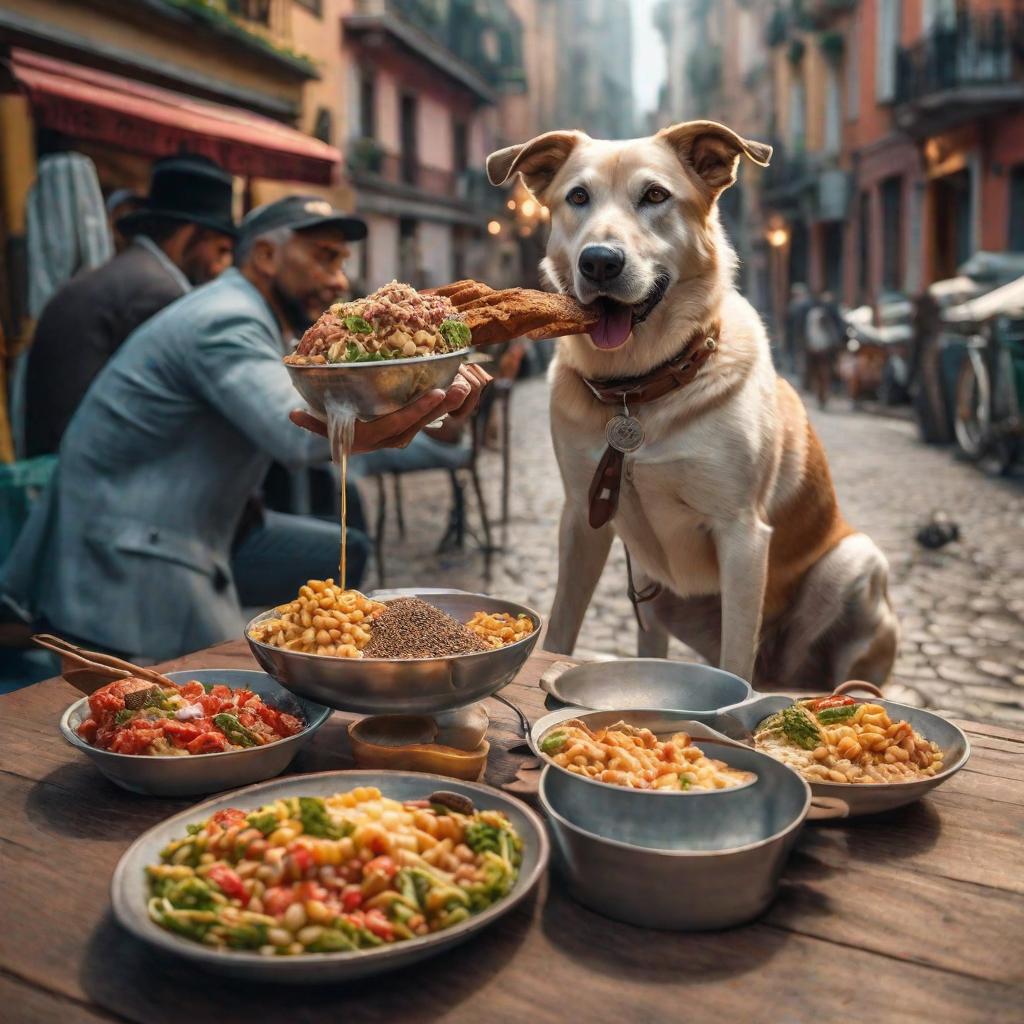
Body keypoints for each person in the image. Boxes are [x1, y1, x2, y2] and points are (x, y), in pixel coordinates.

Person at [1, 195, 488, 661]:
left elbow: (351, 431)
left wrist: (437, 413)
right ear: (265, 254)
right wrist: (416, 409)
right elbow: (297, 431)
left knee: (341, 550)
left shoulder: (257, 318)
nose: (339, 281)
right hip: (125, 551)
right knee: (238, 687)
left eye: (341, 261)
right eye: (324, 258)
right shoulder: (224, 318)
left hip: (193, 531)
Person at [24, 155, 237, 457]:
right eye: (220, 250)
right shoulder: (158, 290)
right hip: (86, 474)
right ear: (192, 235)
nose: (220, 266)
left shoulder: (130, 272)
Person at [804, 290, 844, 410]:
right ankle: (822, 395)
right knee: (822, 373)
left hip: (820, 348)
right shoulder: (821, 314)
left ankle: (823, 395)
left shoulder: (815, 313)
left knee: (822, 373)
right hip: (821, 348)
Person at [784, 282, 811, 379]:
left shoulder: (801, 305)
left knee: (801, 357)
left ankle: (804, 377)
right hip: (797, 335)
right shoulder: (795, 305)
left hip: (803, 335)